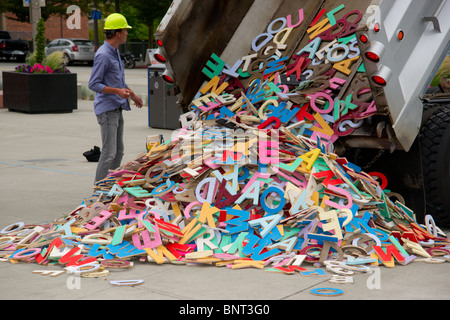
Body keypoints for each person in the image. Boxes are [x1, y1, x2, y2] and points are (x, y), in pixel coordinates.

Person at [88, 13, 143, 184]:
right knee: (109, 152)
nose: (127, 33)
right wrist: (117, 92)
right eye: (125, 30)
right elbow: (93, 84)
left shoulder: (115, 52)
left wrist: (131, 94)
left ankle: (110, 184)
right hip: (107, 110)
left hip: (117, 107)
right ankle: (99, 190)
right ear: (118, 33)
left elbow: (118, 81)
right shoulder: (104, 54)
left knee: (118, 152)